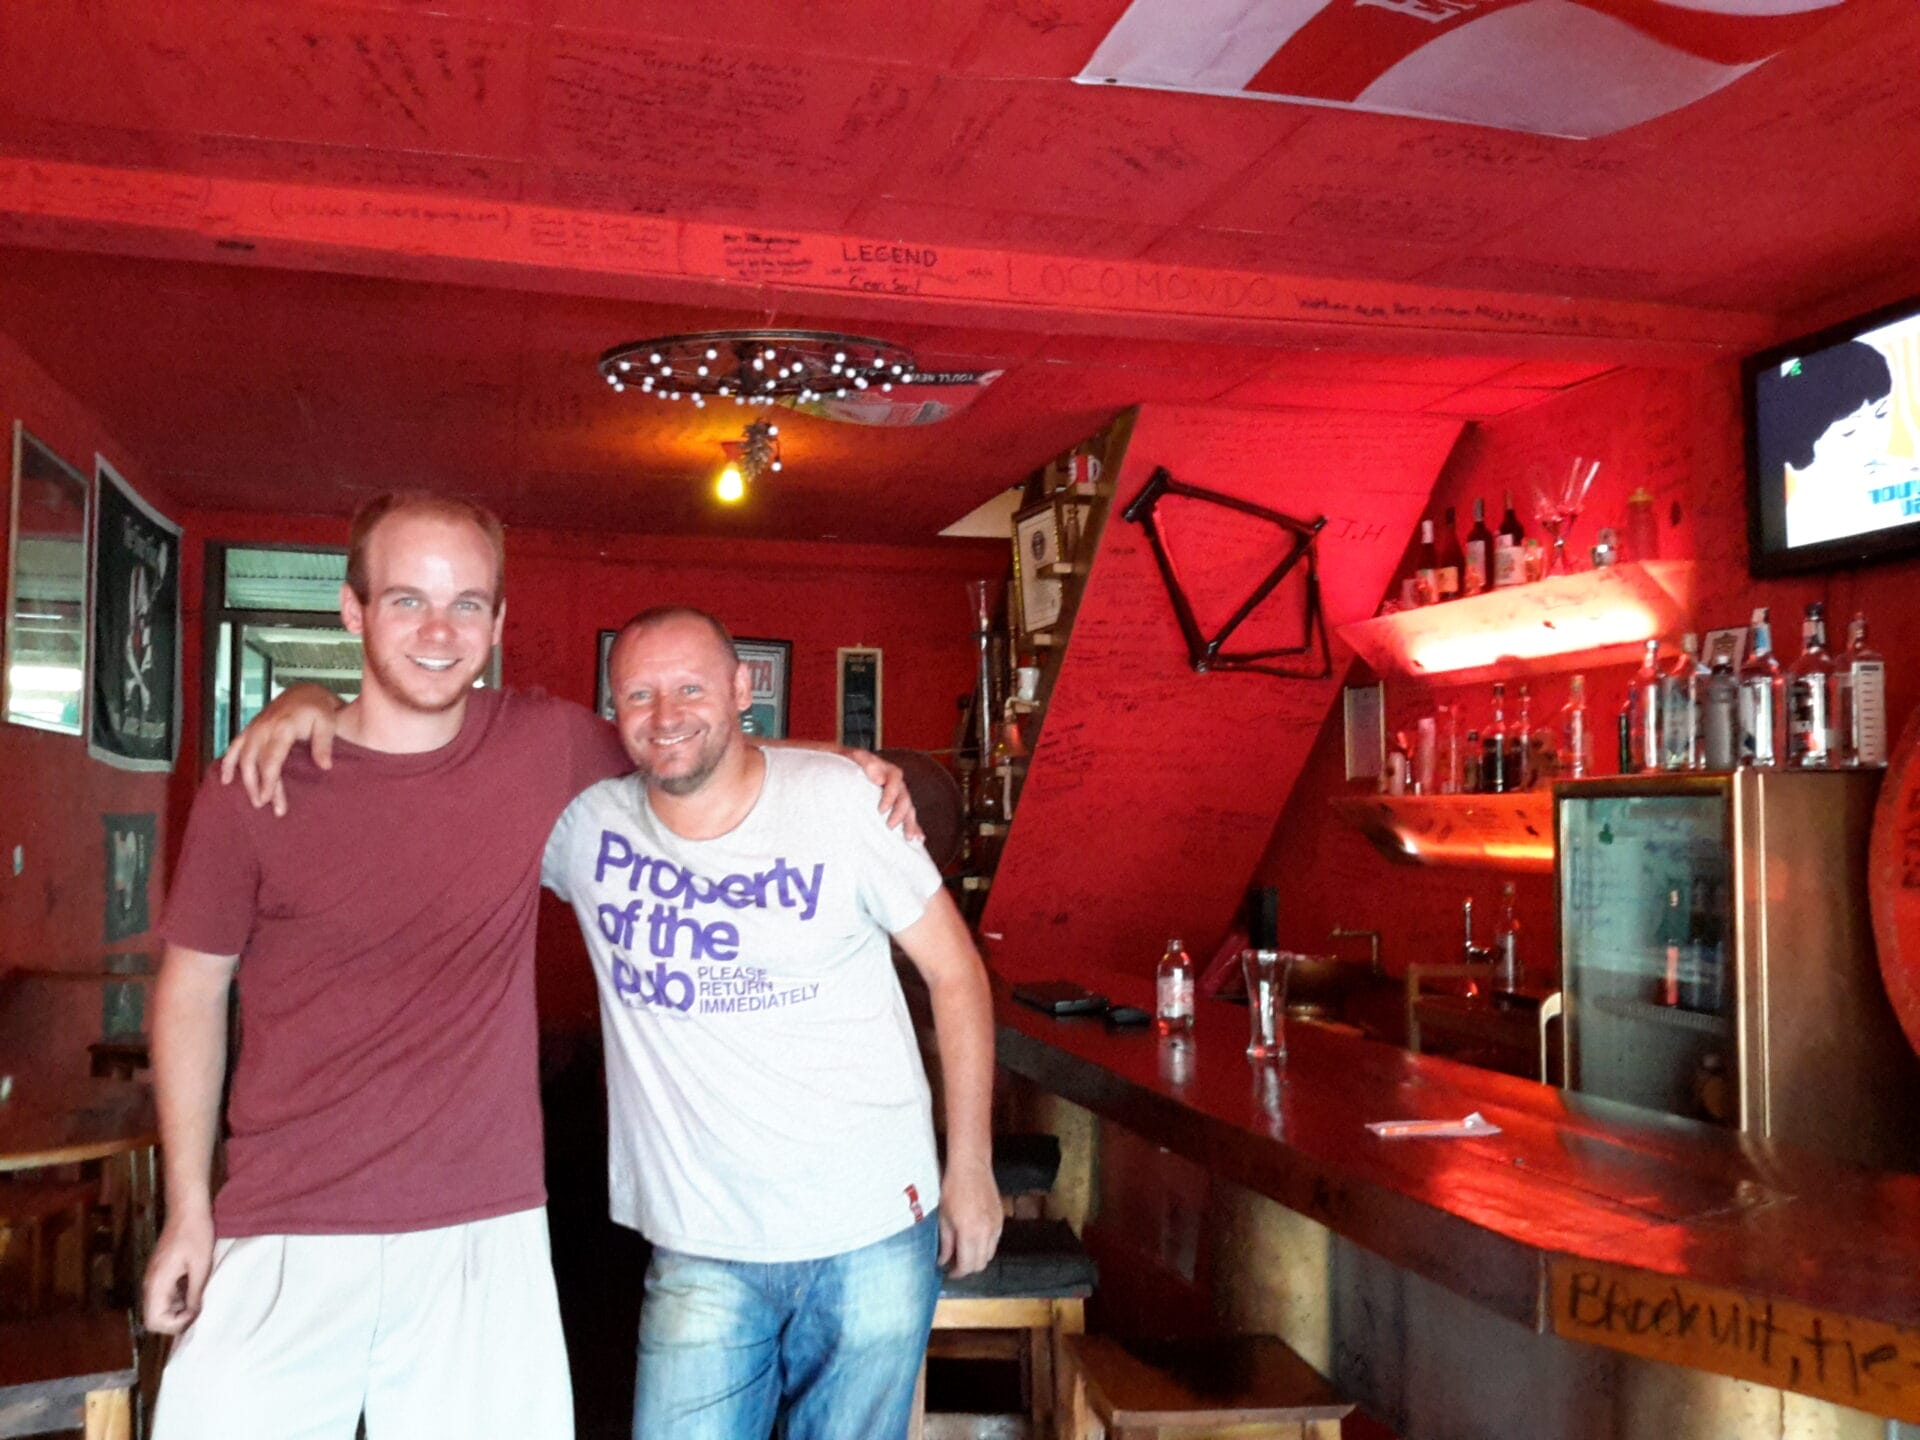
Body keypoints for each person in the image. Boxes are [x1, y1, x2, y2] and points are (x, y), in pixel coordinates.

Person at [145, 493, 914, 1439]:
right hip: (282, 1222)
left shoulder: (539, 745)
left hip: (484, 1225)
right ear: (352, 610)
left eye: (466, 604)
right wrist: (188, 1210)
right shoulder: (255, 785)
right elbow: (192, 993)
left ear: (499, 622)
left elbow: (682, 750)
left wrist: (838, 761)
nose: (439, 631)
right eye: (406, 600)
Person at [543, 605, 1000, 1439]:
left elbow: (956, 972)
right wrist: (313, 705)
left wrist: (970, 1166)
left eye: (691, 688)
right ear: (614, 710)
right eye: (639, 694)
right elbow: (442, 772)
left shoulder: (842, 803)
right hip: (700, 1244)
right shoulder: (585, 827)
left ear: (741, 688)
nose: (665, 713)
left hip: (871, 1228)